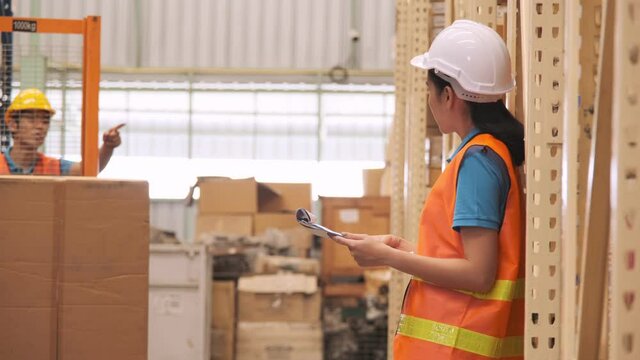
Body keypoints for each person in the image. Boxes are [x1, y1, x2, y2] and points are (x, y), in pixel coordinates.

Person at [332, 20, 525, 359]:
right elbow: (459, 255)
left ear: (448, 95)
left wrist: (389, 258)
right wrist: (400, 249)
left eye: (429, 89)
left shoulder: (478, 161)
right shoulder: (482, 153)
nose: (428, 100)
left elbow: (479, 273)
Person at [0, 88, 124, 175]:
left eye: (45, 121)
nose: (40, 126)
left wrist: (108, 147)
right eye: (32, 119)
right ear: (12, 125)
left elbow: (88, 170)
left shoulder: (55, 168)